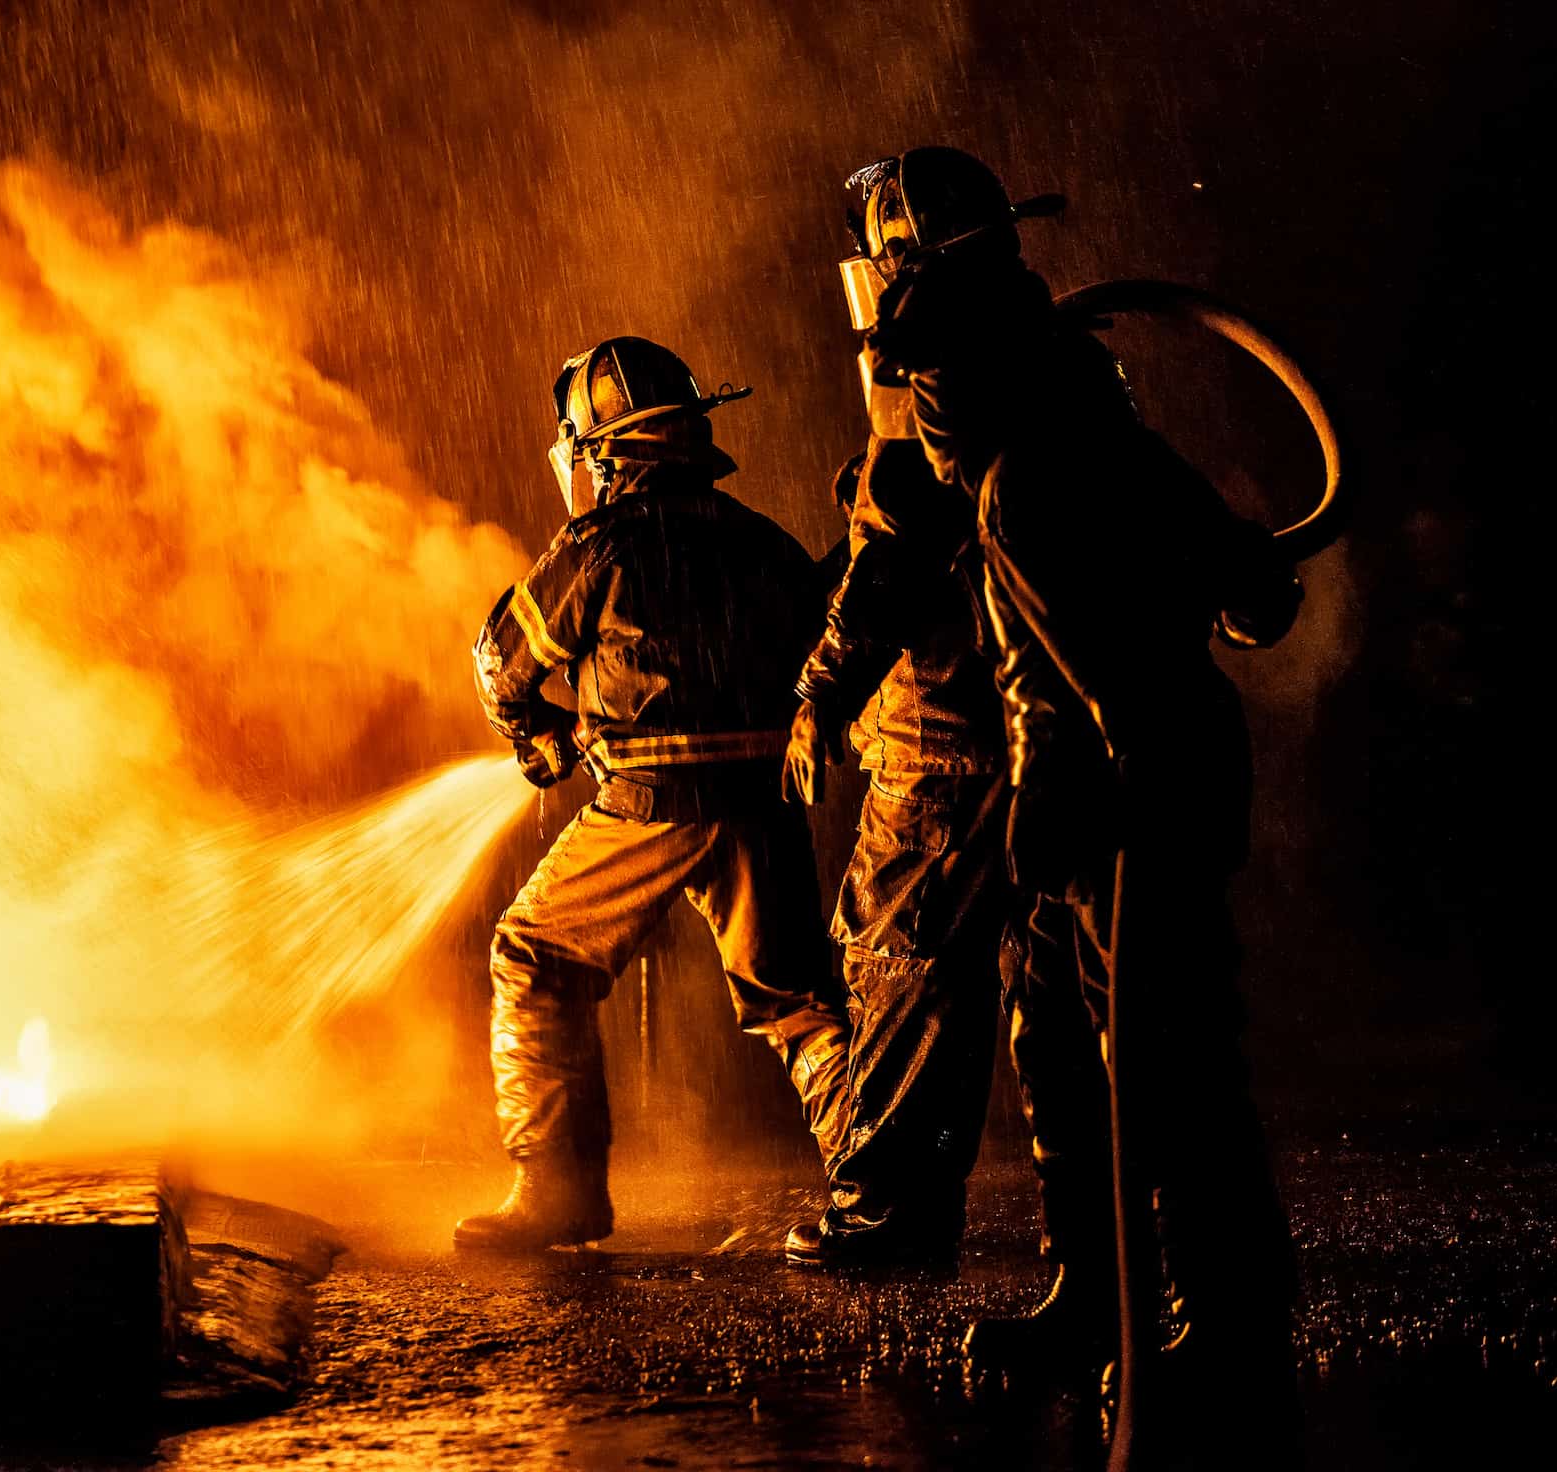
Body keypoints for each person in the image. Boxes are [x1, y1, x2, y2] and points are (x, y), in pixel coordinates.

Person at [847, 147, 1304, 1444]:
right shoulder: (1051, 407)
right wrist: (1229, 573)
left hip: (1133, 793)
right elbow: (1237, 585)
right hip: (1121, 784)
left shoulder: (1026, 457)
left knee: (1168, 1058)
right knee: (1053, 1028)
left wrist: (1054, 790)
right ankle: (1094, 1295)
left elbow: (1076, 671)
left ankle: (1225, 1326)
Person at [455, 336, 851, 1253]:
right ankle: (877, 1189)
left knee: (534, 957)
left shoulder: (600, 545)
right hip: (762, 802)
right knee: (795, 1000)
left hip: (650, 804)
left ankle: (557, 1194)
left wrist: (538, 734)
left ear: (599, 455)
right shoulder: (763, 541)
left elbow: (503, 667)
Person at [778, 411, 1011, 1267]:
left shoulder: (924, 419)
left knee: (897, 967)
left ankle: (883, 1214)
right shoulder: (1067, 412)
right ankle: (1108, 1238)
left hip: (936, 759)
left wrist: (820, 694)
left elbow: (883, 566)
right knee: (1018, 992)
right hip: (1040, 754)